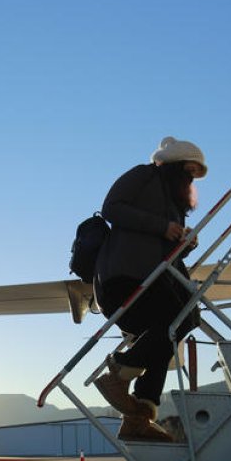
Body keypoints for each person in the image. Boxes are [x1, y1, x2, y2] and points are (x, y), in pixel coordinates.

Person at [92, 136, 207, 443]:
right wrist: (162, 227)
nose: (191, 180)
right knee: (178, 317)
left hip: (153, 278)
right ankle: (119, 373)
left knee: (174, 327)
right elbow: (111, 208)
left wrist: (183, 244)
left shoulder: (173, 205)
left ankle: (140, 415)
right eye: (188, 172)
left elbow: (163, 250)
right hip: (124, 276)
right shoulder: (143, 175)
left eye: (195, 175)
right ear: (172, 166)